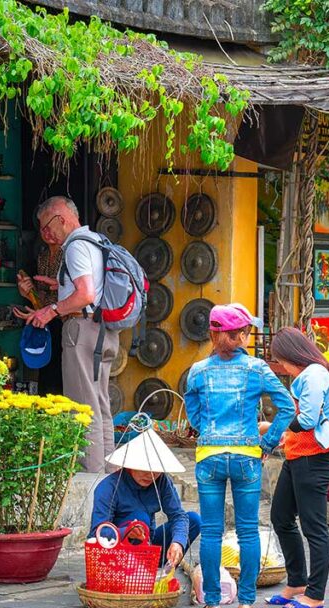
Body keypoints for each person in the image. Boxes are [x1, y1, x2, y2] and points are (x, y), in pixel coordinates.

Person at [183, 303, 295, 608]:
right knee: (248, 531)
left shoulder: (198, 371)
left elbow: (192, 408)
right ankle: (246, 604)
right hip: (247, 455)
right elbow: (287, 408)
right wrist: (268, 443)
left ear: (212, 334)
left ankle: (212, 605)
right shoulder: (256, 369)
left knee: (211, 532)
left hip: (210, 456)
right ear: (242, 335)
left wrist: (206, 428)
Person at [14, 196, 117, 473]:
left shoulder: (74, 246)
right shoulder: (96, 241)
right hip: (104, 329)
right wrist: (59, 286)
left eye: (47, 226)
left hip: (82, 328)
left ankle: (90, 478)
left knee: (82, 406)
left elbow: (86, 294)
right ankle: (109, 473)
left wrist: (52, 310)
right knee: (100, 404)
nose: (47, 233)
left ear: (60, 219)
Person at [263, 327, 329, 608]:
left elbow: (307, 421)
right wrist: (278, 436)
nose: (282, 367)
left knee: (314, 528)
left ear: (291, 355)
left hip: (314, 460)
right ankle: (297, 582)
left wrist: (272, 427)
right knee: (281, 517)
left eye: (281, 361)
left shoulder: (313, 375)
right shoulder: (310, 374)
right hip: (297, 457)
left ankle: (315, 595)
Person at [89, 437, 199, 568]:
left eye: (156, 471)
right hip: (117, 553)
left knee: (194, 520)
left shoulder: (162, 481)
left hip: (148, 546)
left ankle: (156, 566)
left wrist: (178, 542)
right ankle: (136, 568)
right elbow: (97, 533)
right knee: (140, 518)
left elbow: (178, 516)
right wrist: (125, 532)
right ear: (130, 466)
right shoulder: (108, 487)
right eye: (144, 469)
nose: (150, 475)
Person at [17, 217, 63, 394]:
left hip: (65, 320)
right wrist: (28, 292)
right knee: (46, 374)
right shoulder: (42, 257)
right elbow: (40, 297)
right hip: (45, 322)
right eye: (43, 229)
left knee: (63, 376)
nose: (47, 233)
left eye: (50, 228)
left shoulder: (70, 254)